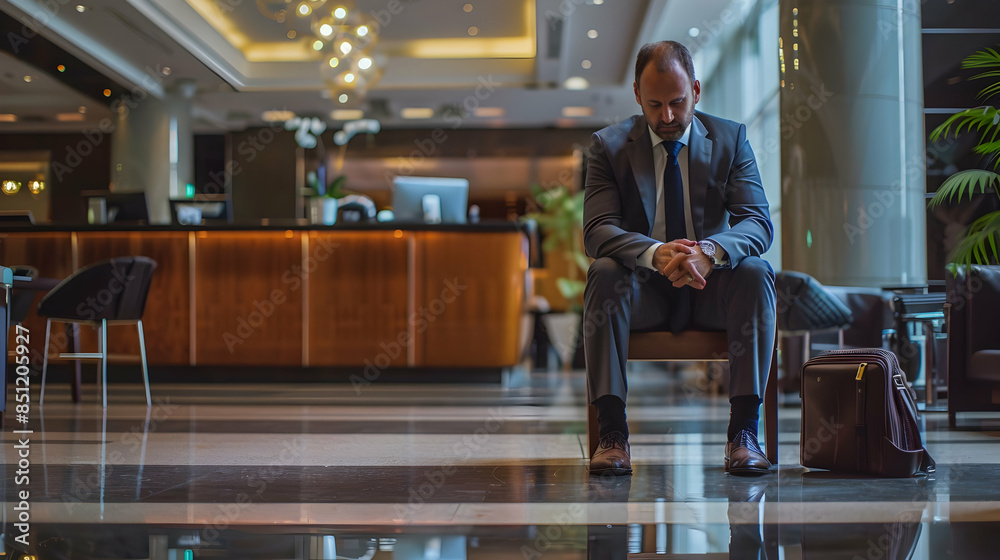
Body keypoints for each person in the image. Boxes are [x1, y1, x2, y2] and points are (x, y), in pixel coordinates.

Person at [583, 40, 776, 476]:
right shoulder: (607, 147)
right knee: (604, 271)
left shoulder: (731, 139)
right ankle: (613, 434)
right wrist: (654, 253)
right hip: (642, 294)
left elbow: (757, 223)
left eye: (677, 102)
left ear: (697, 90)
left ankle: (744, 432)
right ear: (636, 95)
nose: (666, 117)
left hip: (712, 290)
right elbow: (597, 231)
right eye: (654, 105)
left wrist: (711, 250)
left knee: (755, 269)